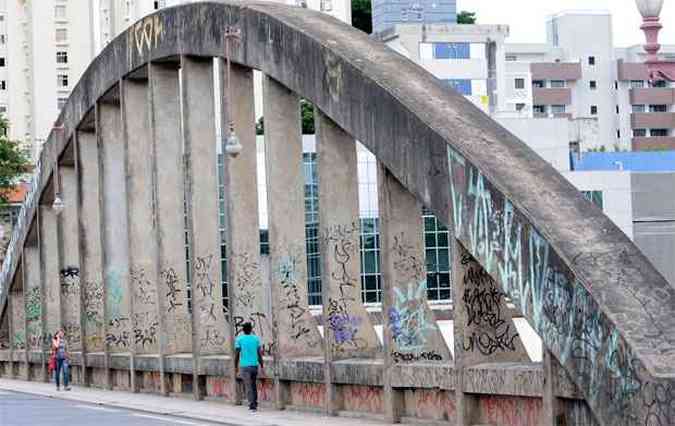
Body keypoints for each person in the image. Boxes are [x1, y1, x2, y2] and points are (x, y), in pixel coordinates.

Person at [234, 322, 264, 412]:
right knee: (253, 384)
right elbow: (259, 354)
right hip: (254, 365)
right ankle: (255, 401)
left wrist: (235, 366)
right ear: (251, 329)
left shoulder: (239, 339)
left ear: (243, 330)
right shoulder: (256, 339)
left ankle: (252, 404)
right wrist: (262, 365)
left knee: (248, 385)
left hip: (245, 366)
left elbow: (237, 354)